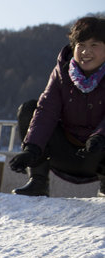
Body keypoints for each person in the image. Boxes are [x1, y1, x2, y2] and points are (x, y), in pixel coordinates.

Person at [9, 16, 105, 197]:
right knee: (29, 108)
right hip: (66, 153)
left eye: (94, 45)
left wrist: (100, 137)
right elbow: (47, 110)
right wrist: (32, 149)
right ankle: (38, 181)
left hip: (99, 155)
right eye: (81, 44)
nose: (86, 51)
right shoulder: (62, 72)